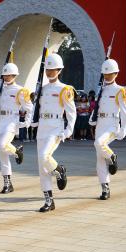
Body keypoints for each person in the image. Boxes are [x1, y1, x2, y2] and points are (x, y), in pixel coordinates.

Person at [32, 53, 77, 212]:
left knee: (45, 156)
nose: (49, 72)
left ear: (59, 70)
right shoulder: (42, 89)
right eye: (47, 70)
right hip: (42, 127)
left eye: (52, 70)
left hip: (55, 128)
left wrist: (68, 130)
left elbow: (72, 112)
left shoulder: (65, 89)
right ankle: (49, 201)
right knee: (42, 166)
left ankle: (59, 170)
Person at [92, 59, 126, 200]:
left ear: (116, 73)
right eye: (105, 73)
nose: (107, 76)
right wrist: (93, 118)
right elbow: (97, 107)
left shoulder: (121, 90)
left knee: (99, 144)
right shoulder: (100, 89)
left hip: (112, 124)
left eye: (110, 73)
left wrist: (124, 129)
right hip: (100, 124)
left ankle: (112, 157)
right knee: (99, 158)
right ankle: (105, 188)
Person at [0, 63, 33, 193]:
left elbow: (29, 108)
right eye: (4, 75)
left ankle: (17, 152)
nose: (5, 77)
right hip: (1, 122)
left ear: (14, 75)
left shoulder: (20, 90)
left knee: (2, 145)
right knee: (2, 154)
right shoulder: (1, 89)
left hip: (11, 121)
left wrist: (26, 122)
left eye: (8, 75)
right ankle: (7, 183)